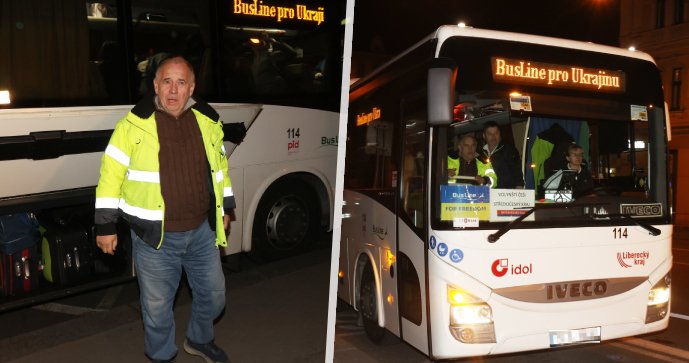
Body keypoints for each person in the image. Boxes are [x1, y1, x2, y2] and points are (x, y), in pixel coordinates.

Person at [94, 55, 233, 363]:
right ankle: (161, 357)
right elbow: (110, 177)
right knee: (157, 309)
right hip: (154, 237)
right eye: (166, 82)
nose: (173, 90)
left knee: (215, 296)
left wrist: (226, 206)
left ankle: (199, 339)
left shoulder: (208, 121)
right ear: (155, 85)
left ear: (192, 87)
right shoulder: (131, 125)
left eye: (181, 83)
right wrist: (105, 226)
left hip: (202, 232)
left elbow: (219, 168)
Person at [480, 121, 524, 189]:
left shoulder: (509, 150)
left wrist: (519, 189)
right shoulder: (480, 154)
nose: (493, 136)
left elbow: (517, 171)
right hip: (486, 192)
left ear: (500, 134)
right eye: (490, 134)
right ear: (484, 136)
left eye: (496, 133)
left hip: (506, 193)